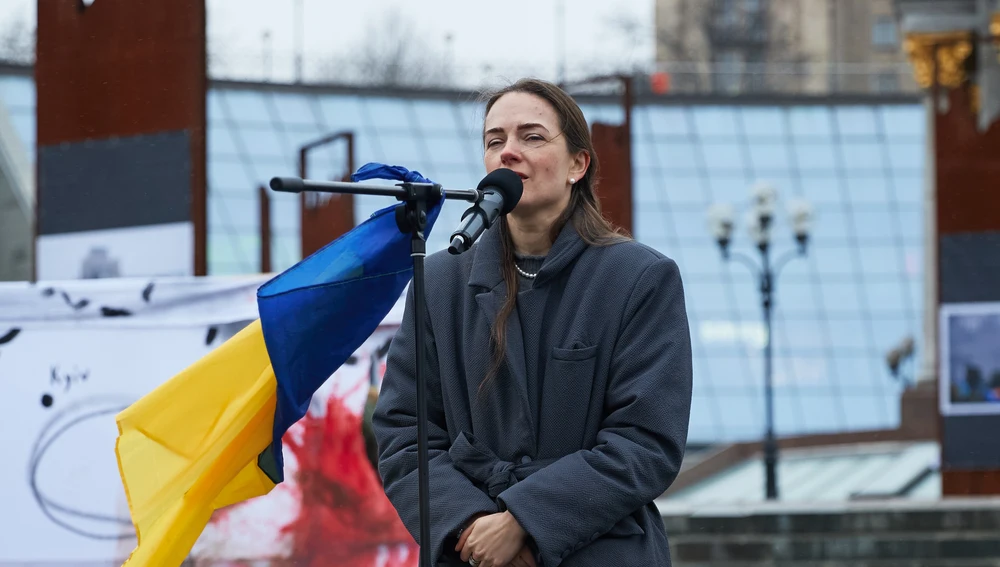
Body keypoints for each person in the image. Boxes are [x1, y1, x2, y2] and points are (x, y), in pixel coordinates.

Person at [372, 78, 693, 567]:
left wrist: (526, 521)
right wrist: (472, 525)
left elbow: (645, 442)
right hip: (471, 553)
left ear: (578, 165)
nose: (509, 153)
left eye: (533, 137)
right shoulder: (439, 282)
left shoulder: (639, 279)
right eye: (494, 140)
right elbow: (403, 435)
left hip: (600, 550)